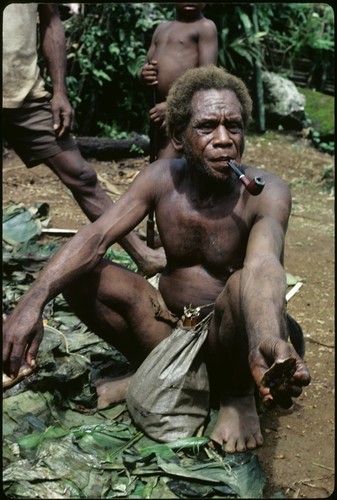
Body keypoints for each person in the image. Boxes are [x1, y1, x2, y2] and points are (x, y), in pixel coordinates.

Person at [3, 66, 311, 453]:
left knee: (239, 284)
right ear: (178, 136)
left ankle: (234, 396)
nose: (223, 140)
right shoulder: (160, 178)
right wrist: (32, 301)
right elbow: (95, 237)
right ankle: (149, 369)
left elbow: (265, 265)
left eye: (233, 126)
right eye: (206, 127)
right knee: (81, 274)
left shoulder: (266, 192)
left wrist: (265, 336)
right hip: (169, 328)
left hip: (232, 341)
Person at [2, 3, 165, 277]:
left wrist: (59, 91)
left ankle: (143, 255)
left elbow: (52, 20)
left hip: (25, 95)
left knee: (81, 175)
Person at [139, 3, 218, 159]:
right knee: (157, 160)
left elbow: (206, 77)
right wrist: (143, 74)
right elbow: (147, 61)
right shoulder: (161, 28)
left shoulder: (205, 27)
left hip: (184, 111)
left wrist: (173, 105)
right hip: (159, 111)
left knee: (167, 166)